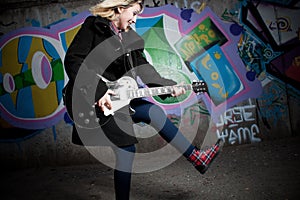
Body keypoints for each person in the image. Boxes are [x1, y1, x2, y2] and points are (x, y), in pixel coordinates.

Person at [63, 0, 220, 199]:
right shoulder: (93, 26)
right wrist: (99, 91)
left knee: (152, 112)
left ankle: (196, 157)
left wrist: (167, 87)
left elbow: (144, 69)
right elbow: (74, 60)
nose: (135, 20)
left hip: (117, 96)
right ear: (120, 8)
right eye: (134, 13)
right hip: (91, 99)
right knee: (126, 150)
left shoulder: (130, 38)